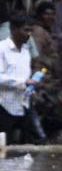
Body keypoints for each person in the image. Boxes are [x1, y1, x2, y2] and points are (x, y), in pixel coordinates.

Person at [0, 13, 40, 144]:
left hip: (23, 103)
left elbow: (25, 75)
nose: (28, 34)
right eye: (25, 30)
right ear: (13, 29)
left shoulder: (25, 51)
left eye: (30, 30)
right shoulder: (2, 49)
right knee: (4, 145)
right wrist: (23, 82)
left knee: (34, 142)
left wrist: (31, 85)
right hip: (4, 105)